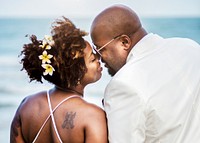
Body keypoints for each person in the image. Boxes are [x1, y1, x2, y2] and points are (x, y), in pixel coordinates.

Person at [90, 4, 200, 143]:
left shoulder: (123, 84)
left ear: (124, 42)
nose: (99, 57)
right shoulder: (190, 47)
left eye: (100, 49)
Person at [10, 17, 108, 143]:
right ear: (76, 73)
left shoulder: (27, 105)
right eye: (93, 59)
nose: (99, 58)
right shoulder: (92, 116)